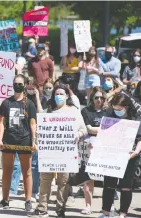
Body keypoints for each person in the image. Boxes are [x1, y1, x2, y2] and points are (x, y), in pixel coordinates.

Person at [30, 84, 87, 218]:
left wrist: (77, 135)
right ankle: (42, 208)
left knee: (64, 181)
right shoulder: (48, 111)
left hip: (66, 152)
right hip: (49, 152)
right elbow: (40, 126)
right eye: (56, 94)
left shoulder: (74, 111)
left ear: (67, 96)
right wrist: (36, 140)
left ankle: (60, 209)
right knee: (45, 179)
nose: (58, 96)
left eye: (61, 94)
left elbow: (83, 129)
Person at [0, 74, 37, 212]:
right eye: (15, 83)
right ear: (12, 84)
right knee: (7, 170)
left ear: (25, 85)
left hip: (25, 140)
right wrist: (0, 139)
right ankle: (5, 199)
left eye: (20, 83)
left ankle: (28, 200)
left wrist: (34, 141)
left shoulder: (29, 104)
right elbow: (2, 123)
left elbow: (33, 124)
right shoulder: (6, 103)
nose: (18, 85)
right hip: (9, 140)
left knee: (27, 172)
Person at [99, 93, 141, 218]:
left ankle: (123, 213)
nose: (116, 111)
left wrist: (136, 151)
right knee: (109, 185)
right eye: (115, 109)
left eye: (119, 109)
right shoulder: (109, 115)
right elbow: (103, 134)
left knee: (126, 187)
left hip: (130, 157)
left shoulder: (136, 118)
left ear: (126, 107)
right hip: (112, 155)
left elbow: (140, 139)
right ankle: (105, 213)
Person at [80, 87, 111, 215]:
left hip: (106, 147)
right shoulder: (86, 111)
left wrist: (96, 129)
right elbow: (89, 129)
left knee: (109, 179)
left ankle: (109, 206)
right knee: (88, 179)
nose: (99, 100)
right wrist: (105, 129)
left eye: (101, 97)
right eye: (96, 97)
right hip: (89, 148)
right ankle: (88, 206)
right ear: (92, 98)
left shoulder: (109, 112)